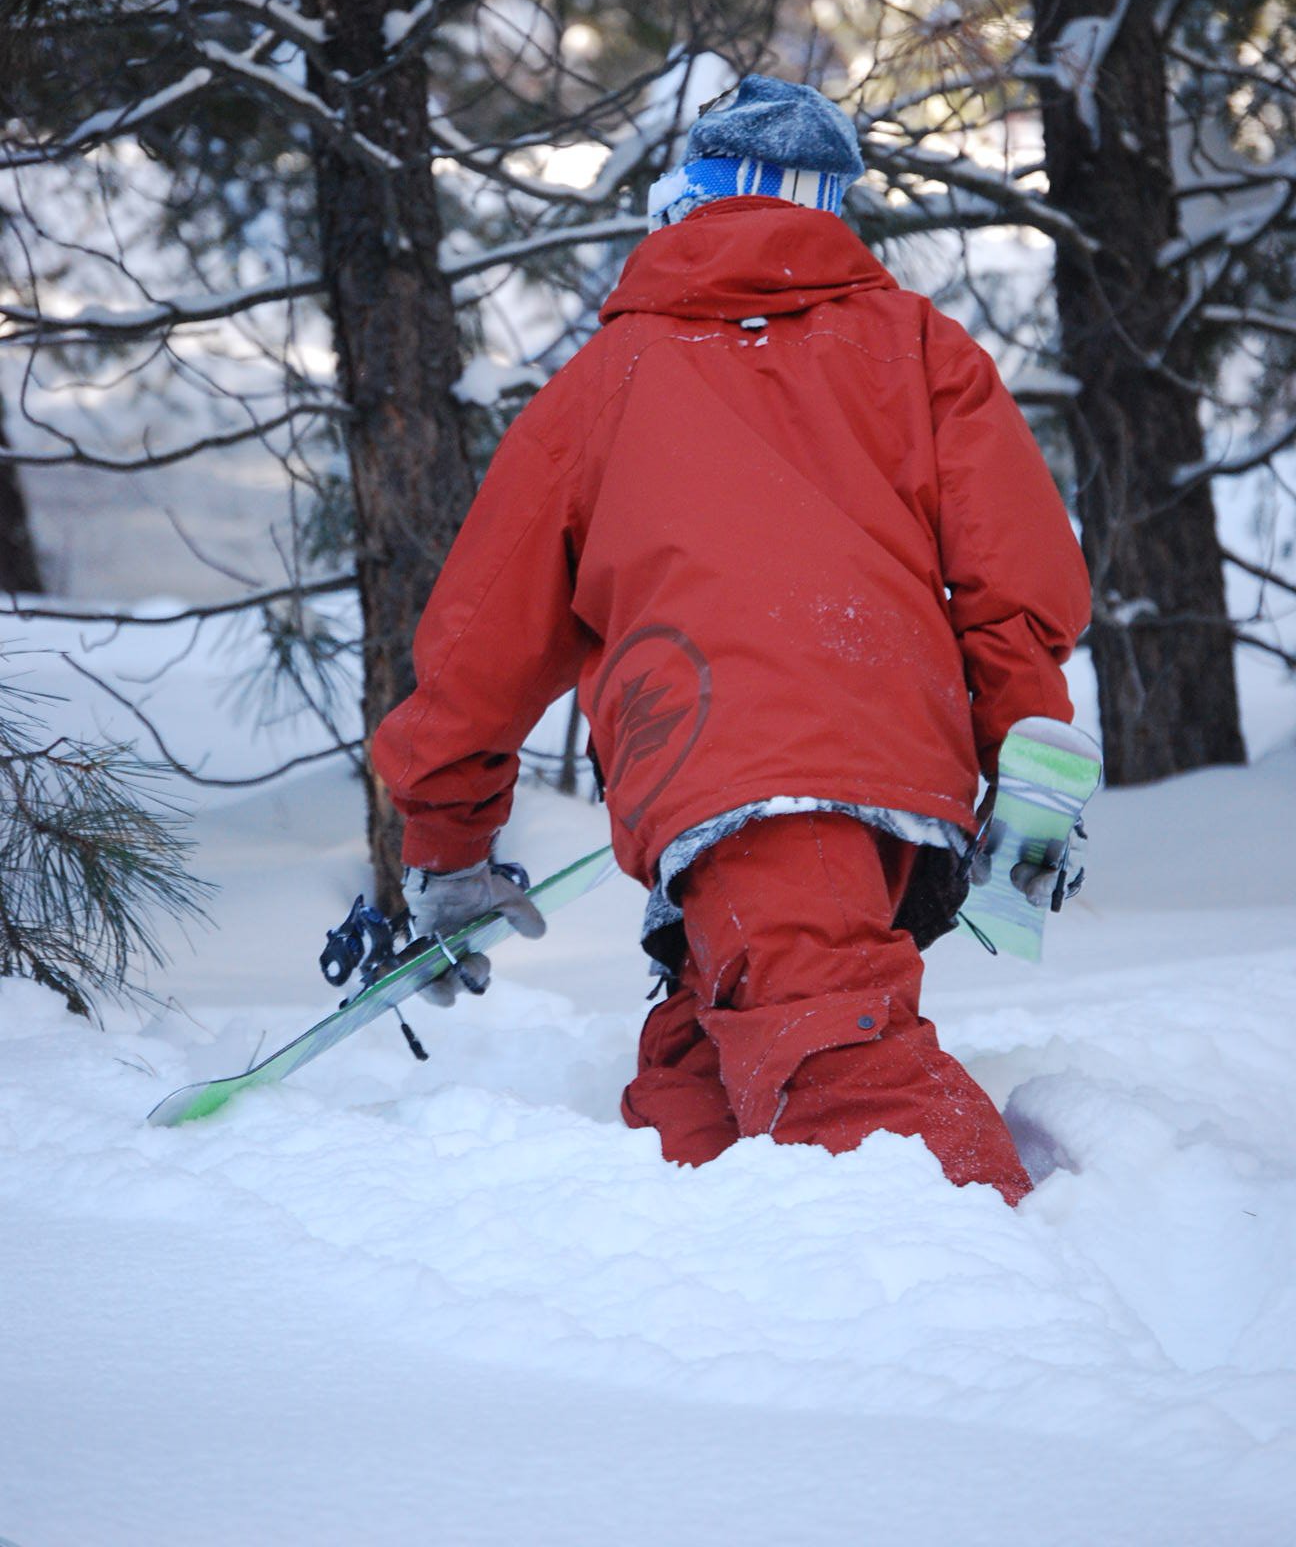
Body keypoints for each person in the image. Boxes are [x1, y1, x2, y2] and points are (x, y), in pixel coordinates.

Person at [371, 74, 1091, 1203]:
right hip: (901, 777)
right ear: (832, 211)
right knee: (705, 1055)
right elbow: (1015, 579)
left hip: (731, 766)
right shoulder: (919, 347)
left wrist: (449, 839)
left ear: (686, 202)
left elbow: (480, 641)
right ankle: (696, 1253)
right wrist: (1025, 744)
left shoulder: (605, 383)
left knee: (835, 1062)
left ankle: (990, 1297)